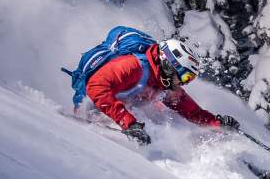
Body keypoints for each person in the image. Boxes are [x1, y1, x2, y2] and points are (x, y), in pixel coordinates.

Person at [85, 37, 239, 145]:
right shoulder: (133, 66)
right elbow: (96, 86)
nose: (184, 83)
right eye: (185, 76)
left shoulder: (164, 85)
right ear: (169, 65)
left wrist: (217, 123)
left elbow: (192, 112)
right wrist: (129, 123)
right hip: (95, 115)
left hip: (124, 121)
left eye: (189, 79)